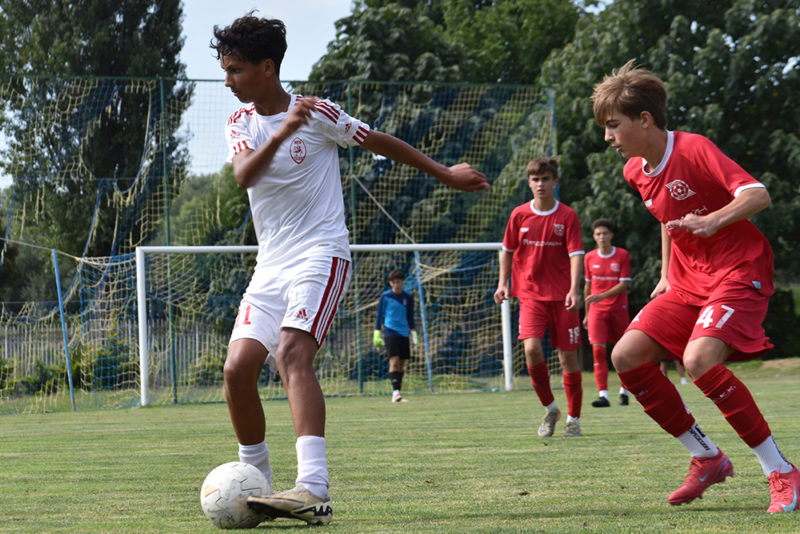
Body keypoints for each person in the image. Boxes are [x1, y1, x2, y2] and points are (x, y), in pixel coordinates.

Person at [212, 13, 489, 526]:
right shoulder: (240, 123)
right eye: (226, 70)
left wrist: (445, 173)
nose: (228, 80)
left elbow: (377, 140)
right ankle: (256, 485)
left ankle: (313, 488)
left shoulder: (318, 113)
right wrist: (284, 130)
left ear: (267, 67)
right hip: (270, 264)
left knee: (291, 353)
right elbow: (245, 175)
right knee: (236, 370)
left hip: (321, 252)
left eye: (236, 70)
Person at [592, 59, 799, 513]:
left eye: (613, 125)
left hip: (739, 270)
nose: (607, 137)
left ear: (644, 119)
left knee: (699, 359)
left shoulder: (694, 148)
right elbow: (666, 219)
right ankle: (706, 457)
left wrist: (714, 219)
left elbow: (757, 194)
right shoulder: (634, 171)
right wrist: (667, 274)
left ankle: (781, 470)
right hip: (688, 283)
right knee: (625, 356)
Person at [494, 157, 585, 438]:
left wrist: (574, 289)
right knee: (532, 350)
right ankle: (551, 409)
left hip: (562, 297)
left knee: (568, 358)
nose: (540, 184)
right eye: (535, 179)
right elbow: (507, 251)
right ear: (529, 182)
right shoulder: (519, 215)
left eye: (545, 179)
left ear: (555, 181)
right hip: (530, 294)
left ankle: (574, 419)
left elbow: (576, 255)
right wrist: (502, 283)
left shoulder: (567, 216)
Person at [582, 218, 632, 408]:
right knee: (598, 351)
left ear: (611, 235)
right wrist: (587, 314)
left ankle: (624, 391)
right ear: (594, 237)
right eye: (598, 234)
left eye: (604, 233)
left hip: (618, 309)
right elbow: (587, 287)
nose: (601, 237)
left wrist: (601, 295)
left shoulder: (622, 255)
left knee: (622, 352)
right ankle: (603, 395)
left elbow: (624, 284)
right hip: (597, 311)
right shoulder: (589, 257)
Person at [373, 269, 418, 403]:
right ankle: (395, 393)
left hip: (404, 332)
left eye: (398, 282)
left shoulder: (408, 297)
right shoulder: (386, 296)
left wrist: (413, 333)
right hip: (390, 332)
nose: (396, 284)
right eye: (394, 282)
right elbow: (379, 314)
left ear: (402, 282)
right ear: (390, 283)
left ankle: (398, 392)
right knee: (394, 360)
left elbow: (410, 316)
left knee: (402, 363)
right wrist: (377, 331)